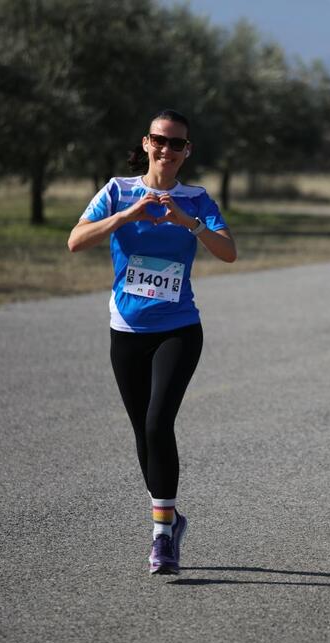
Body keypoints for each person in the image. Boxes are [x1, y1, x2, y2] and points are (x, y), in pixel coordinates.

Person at [68, 109, 236, 574]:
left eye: (177, 144)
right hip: (127, 331)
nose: (167, 150)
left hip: (179, 328)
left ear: (187, 151)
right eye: (160, 141)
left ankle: (162, 536)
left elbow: (229, 252)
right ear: (146, 143)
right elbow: (75, 241)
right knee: (144, 432)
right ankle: (172, 518)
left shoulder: (197, 198)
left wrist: (189, 223)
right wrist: (127, 216)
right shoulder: (118, 190)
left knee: (159, 421)